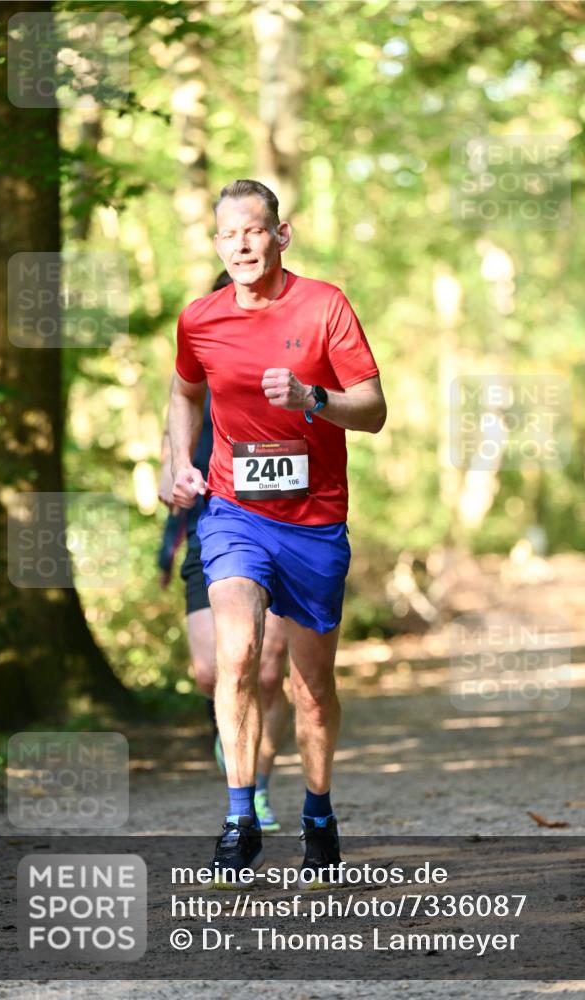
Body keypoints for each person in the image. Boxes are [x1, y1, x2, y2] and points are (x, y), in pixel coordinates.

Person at [168, 178, 386, 886]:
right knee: (235, 656)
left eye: (253, 231)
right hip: (235, 513)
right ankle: (240, 820)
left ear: (280, 235)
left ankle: (318, 813)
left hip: (315, 521)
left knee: (311, 686)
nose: (240, 245)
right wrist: (177, 464)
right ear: (216, 243)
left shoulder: (324, 306)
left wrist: (312, 398)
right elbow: (184, 392)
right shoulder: (199, 319)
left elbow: (373, 409)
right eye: (228, 234)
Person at [158, 271, 290, 833]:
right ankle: (231, 730)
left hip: (282, 532)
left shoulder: (290, 369)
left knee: (268, 669)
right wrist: (176, 481)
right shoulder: (195, 379)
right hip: (208, 530)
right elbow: (168, 470)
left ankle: (256, 789)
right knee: (213, 672)